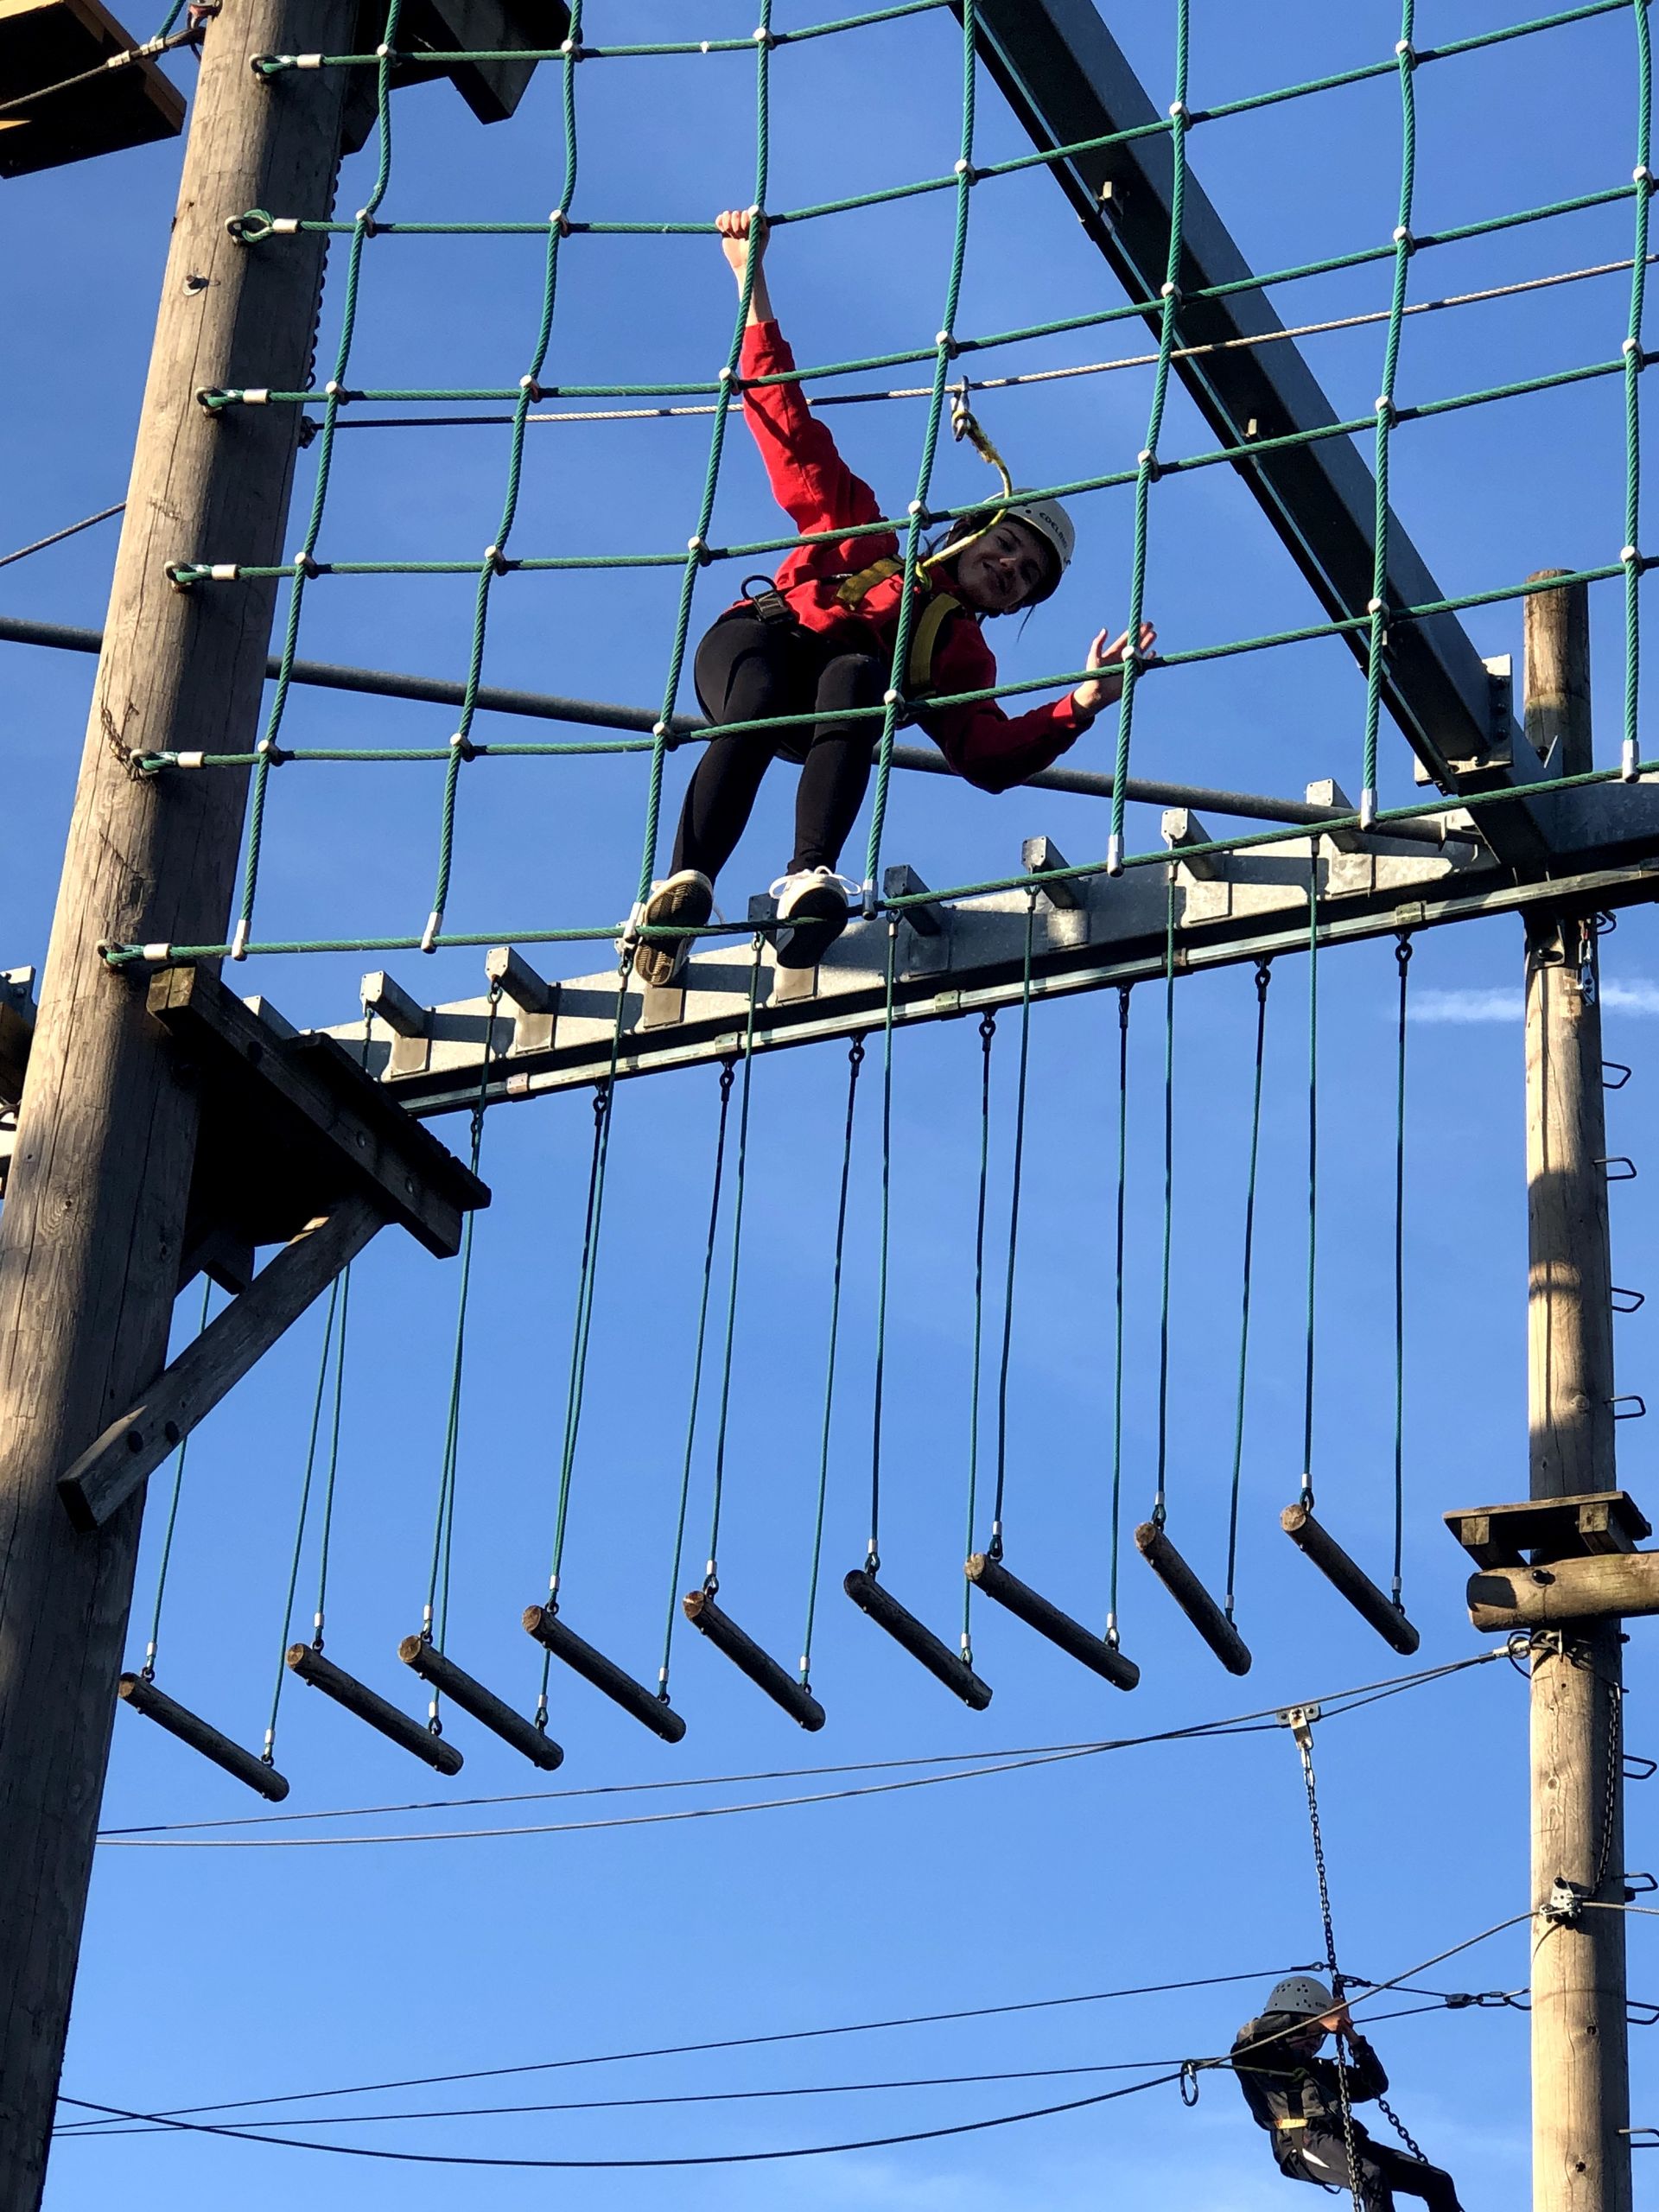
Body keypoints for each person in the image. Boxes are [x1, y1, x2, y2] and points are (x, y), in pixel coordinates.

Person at [631, 206, 1158, 987]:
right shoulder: (867, 536)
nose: (1011, 567)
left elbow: (985, 755)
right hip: (756, 646)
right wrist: (753, 283)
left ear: (1016, 607)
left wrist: (1078, 705)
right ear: (973, 532)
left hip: (834, 701)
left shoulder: (957, 653)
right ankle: (680, 892)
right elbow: (788, 425)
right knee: (769, 687)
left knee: (855, 678)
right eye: (1007, 545)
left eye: (1027, 578)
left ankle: (810, 881)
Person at [1232, 1975, 1465, 2211]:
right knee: (1371, 2176)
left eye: (1320, 2036)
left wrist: (1353, 2039)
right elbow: (1253, 2034)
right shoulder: (1257, 2056)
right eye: (1310, 2032)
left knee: (1438, 2181)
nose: (1315, 2042)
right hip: (1301, 2141)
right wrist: (1316, 2022)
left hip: (1341, 2139)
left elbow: (1374, 2084)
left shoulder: (1321, 2071)